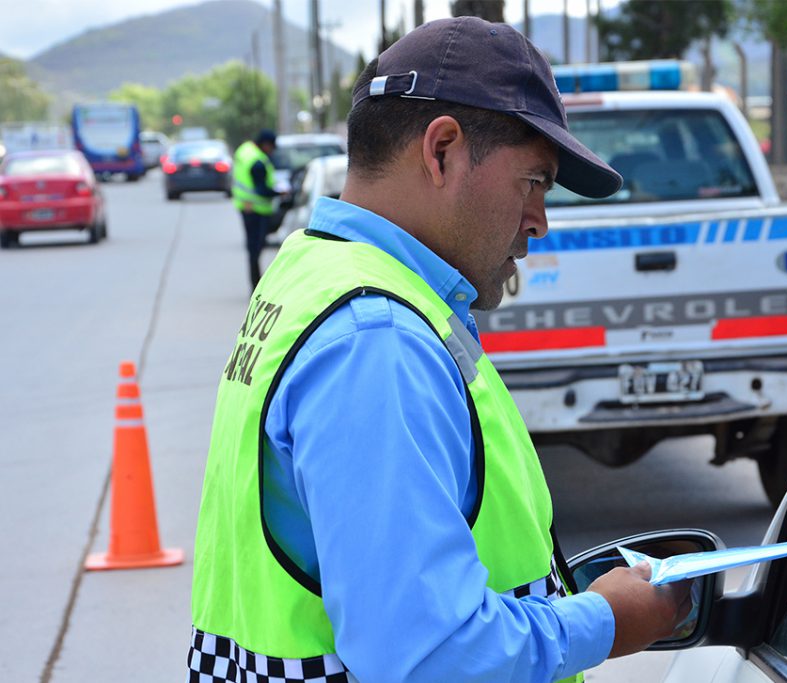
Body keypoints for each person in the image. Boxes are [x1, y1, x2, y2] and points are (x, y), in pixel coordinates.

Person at [189, 17, 691, 683]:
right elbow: (430, 655)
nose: (540, 217)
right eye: (534, 181)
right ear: (443, 152)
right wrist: (609, 617)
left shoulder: (309, 273)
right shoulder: (377, 339)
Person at [231, 128, 281, 290]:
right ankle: (256, 286)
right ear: (265, 144)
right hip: (256, 210)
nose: (272, 152)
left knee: (253, 249)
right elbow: (262, 190)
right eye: (271, 147)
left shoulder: (245, 150)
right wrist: (280, 192)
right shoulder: (258, 161)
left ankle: (255, 284)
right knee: (255, 249)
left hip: (245, 207)